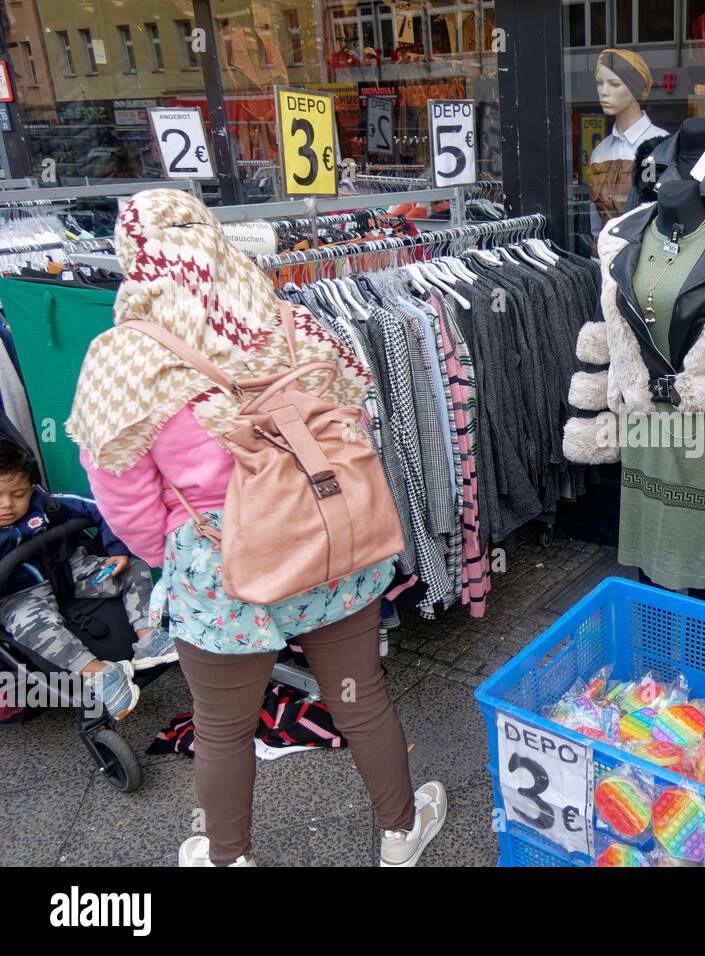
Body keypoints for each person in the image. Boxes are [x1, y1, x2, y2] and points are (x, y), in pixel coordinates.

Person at [66, 189, 445, 868]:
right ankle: (399, 832)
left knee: (221, 729)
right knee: (358, 699)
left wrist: (185, 551)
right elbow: (353, 426)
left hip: (220, 570)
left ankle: (226, 858)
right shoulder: (297, 324)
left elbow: (122, 500)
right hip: (330, 545)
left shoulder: (121, 360)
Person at [0, 438, 170, 720]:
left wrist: (117, 550)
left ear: (31, 489)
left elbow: (98, 506)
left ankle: (150, 639)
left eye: (18, 494)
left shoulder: (46, 505)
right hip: (22, 595)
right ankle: (101, 674)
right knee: (33, 629)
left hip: (71, 572)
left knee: (133, 570)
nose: (7, 504)